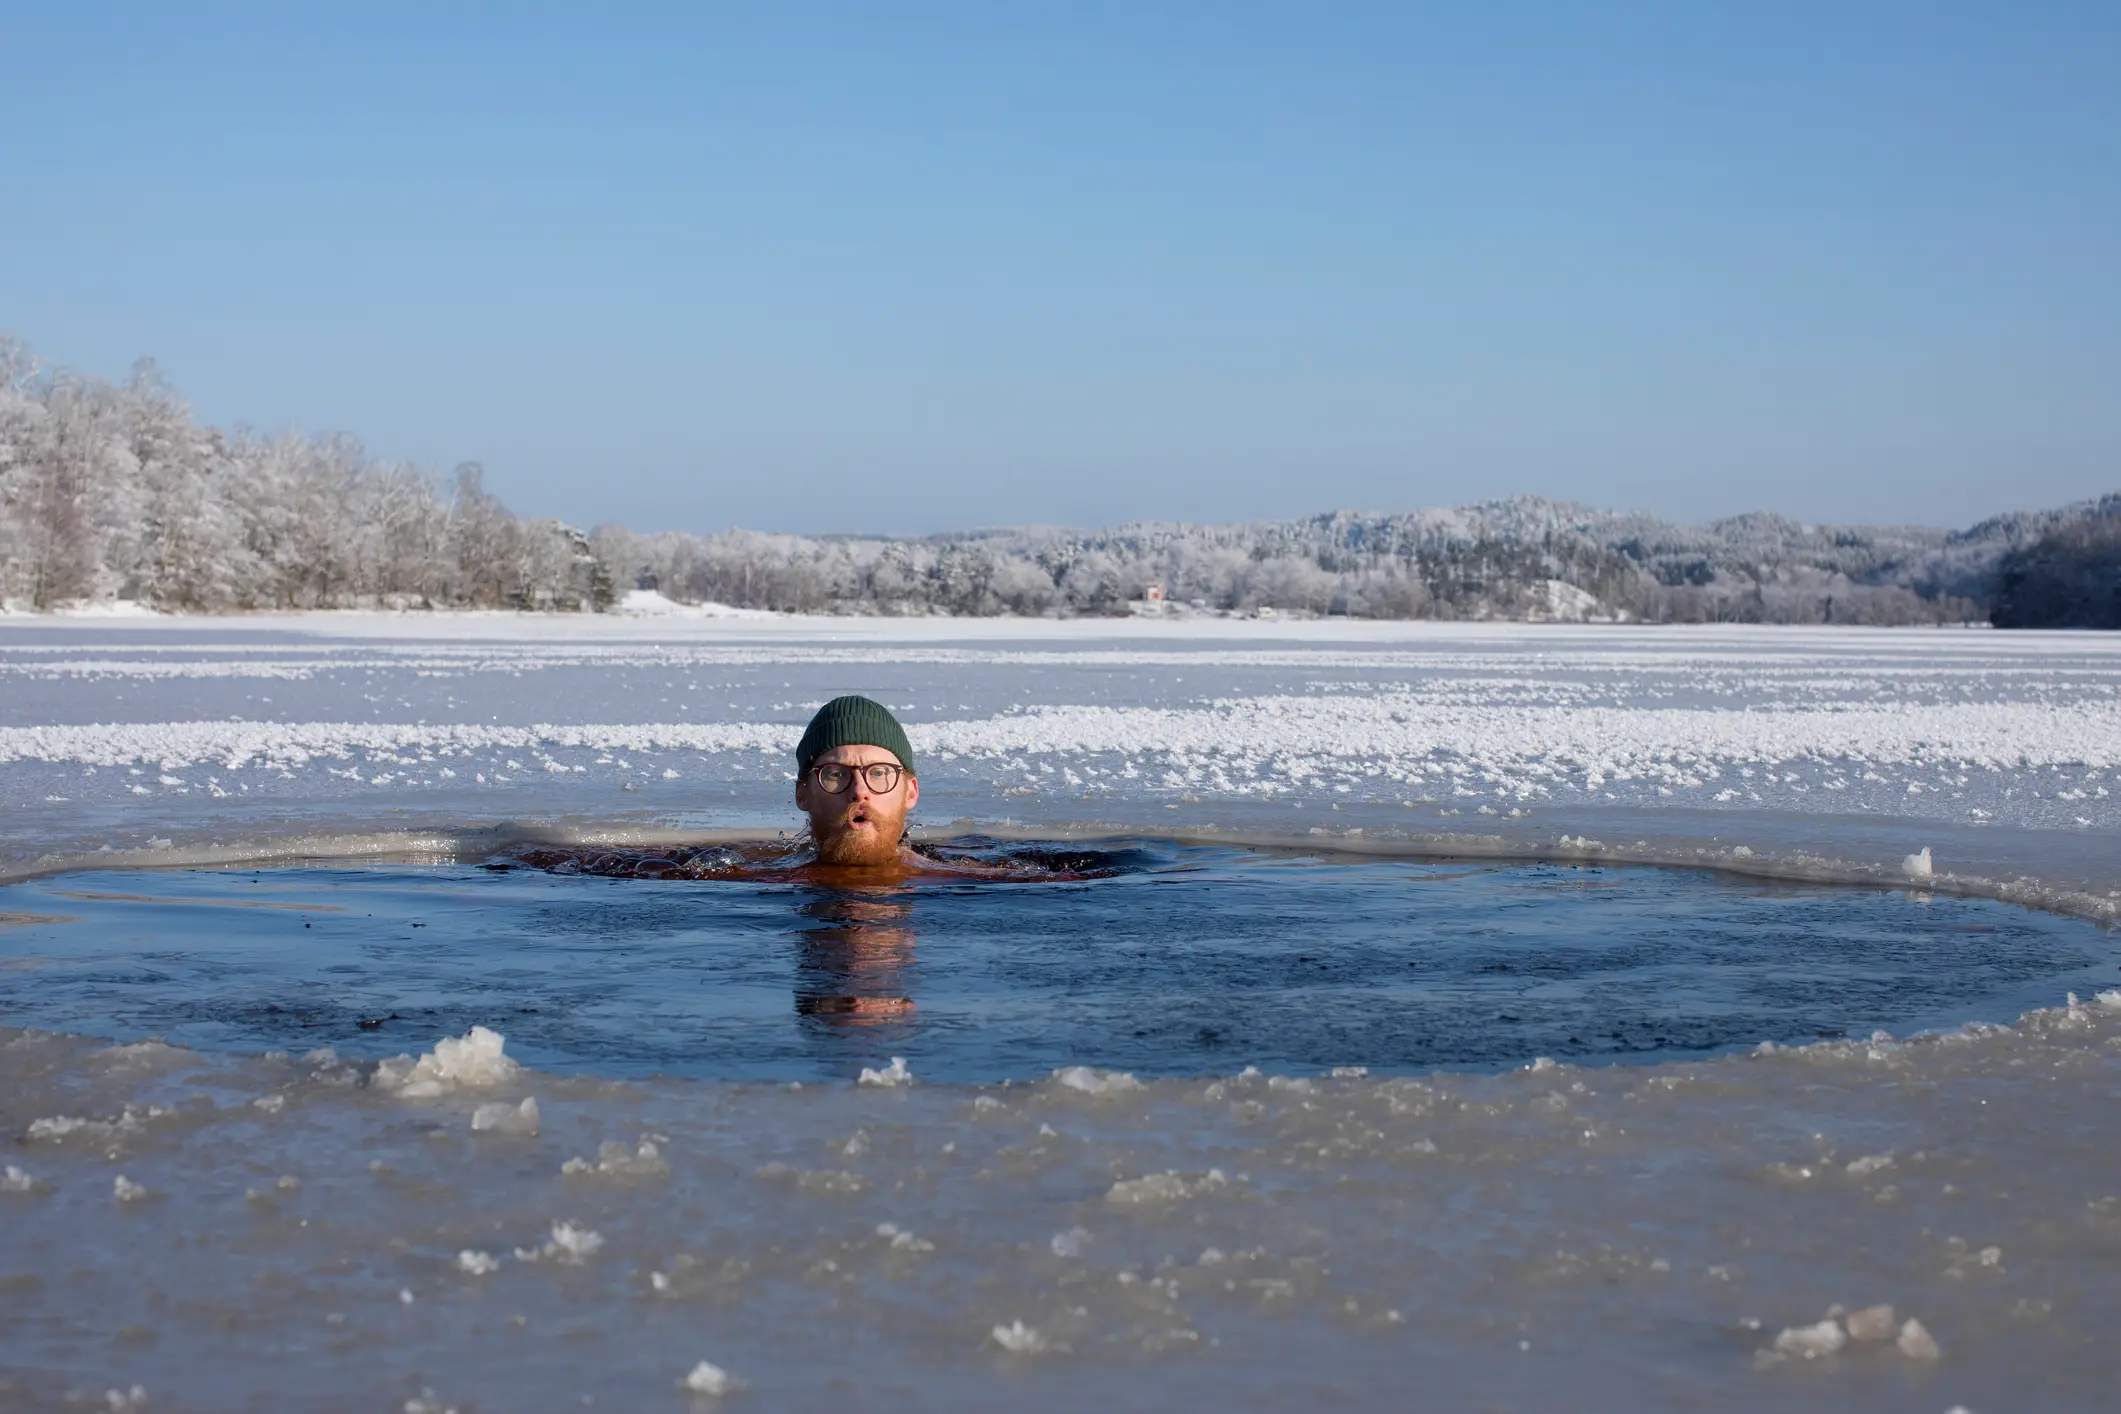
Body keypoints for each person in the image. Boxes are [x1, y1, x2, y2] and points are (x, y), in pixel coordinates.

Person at [792, 694, 923, 873]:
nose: (859, 791)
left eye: (878, 772)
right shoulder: (759, 877)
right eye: (836, 774)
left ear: (911, 792)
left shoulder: (954, 878)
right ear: (802, 794)